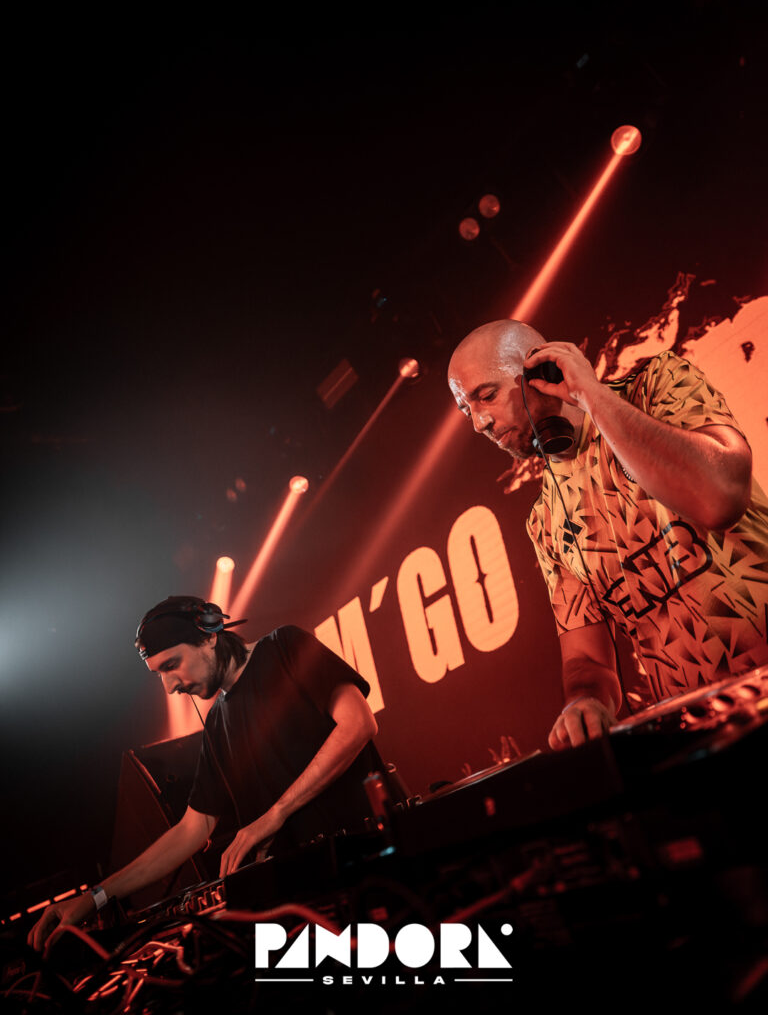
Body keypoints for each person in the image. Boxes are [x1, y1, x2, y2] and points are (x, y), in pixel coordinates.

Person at [448, 320, 768, 752]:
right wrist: (585, 701)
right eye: (466, 410)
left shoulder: (658, 384)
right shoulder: (545, 520)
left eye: (486, 395)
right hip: (699, 738)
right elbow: (586, 660)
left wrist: (591, 395)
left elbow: (721, 497)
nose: (479, 422)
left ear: (541, 369)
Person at [29, 596, 382, 955]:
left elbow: (358, 723)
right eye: (159, 674)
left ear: (210, 635)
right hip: (306, 906)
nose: (169, 686)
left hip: (372, 873)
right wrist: (95, 898)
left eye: (172, 665)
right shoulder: (216, 725)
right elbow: (192, 829)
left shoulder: (286, 646)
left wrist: (274, 814)